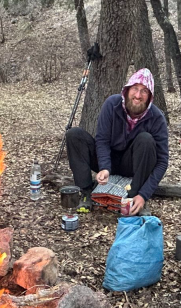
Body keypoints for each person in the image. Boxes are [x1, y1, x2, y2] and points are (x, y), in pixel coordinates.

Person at [65, 68, 169, 215]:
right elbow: (102, 140)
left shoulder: (156, 118)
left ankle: (135, 197)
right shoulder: (112, 104)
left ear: (150, 96)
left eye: (144, 91)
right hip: (109, 161)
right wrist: (104, 167)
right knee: (74, 135)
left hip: (133, 165)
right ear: (127, 90)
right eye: (135, 88)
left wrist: (144, 195)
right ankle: (86, 192)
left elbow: (162, 161)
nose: (138, 95)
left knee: (146, 139)